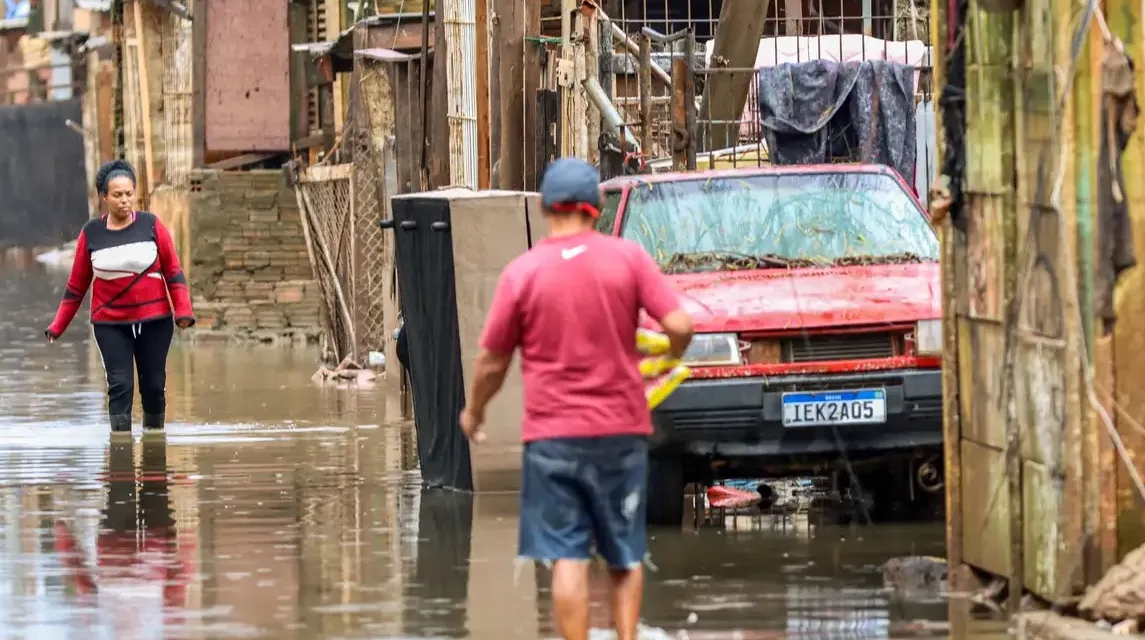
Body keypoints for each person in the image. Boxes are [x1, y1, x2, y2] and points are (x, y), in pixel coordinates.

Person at [459, 157, 694, 640]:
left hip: (552, 439)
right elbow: (680, 326)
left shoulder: (523, 273)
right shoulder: (627, 259)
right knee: (624, 553)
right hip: (621, 432)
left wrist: (473, 413)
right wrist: (668, 356)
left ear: (546, 207)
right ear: (596, 207)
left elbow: (492, 362)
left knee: (567, 555)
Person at [45, 159, 195, 432]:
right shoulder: (91, 233)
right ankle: (121, 452)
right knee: (120, 386)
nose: (125, 200)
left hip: (155, 321)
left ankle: (154, 445)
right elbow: (76, 287)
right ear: (104, 197)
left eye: (129, 194)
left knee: (152, 386)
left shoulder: (151, 225)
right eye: (117, 195)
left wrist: (184, 311)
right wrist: (58, 326)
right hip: (110, 323)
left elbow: (173, 272)